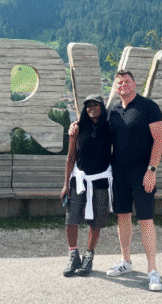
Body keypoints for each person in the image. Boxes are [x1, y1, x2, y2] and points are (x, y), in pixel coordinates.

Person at [69, 70, 162, 291]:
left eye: (126, 81)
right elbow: (94, 124)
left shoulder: (149, 107)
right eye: (119, 82)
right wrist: (75, 125)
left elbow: (159, 140)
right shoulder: (113, 111)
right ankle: (126, 262)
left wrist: (152, 170)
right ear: (116, 87)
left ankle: (152, 271)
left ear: (134, 83)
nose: (123, 85)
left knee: (146, 219)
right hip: (118, 172)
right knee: (123, 216)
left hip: (142, 172)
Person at [61, 94, 114, 277]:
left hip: (100, 180)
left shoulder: (109, 127)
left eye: (96, 105)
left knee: (96, 222)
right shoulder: (77, 128)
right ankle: (73, 255)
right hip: (79, 180)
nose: (92, 108)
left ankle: (88, 257)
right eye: (89, 105)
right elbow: (70, 157)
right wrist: (65, 184)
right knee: (71, 220)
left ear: (102, 107)